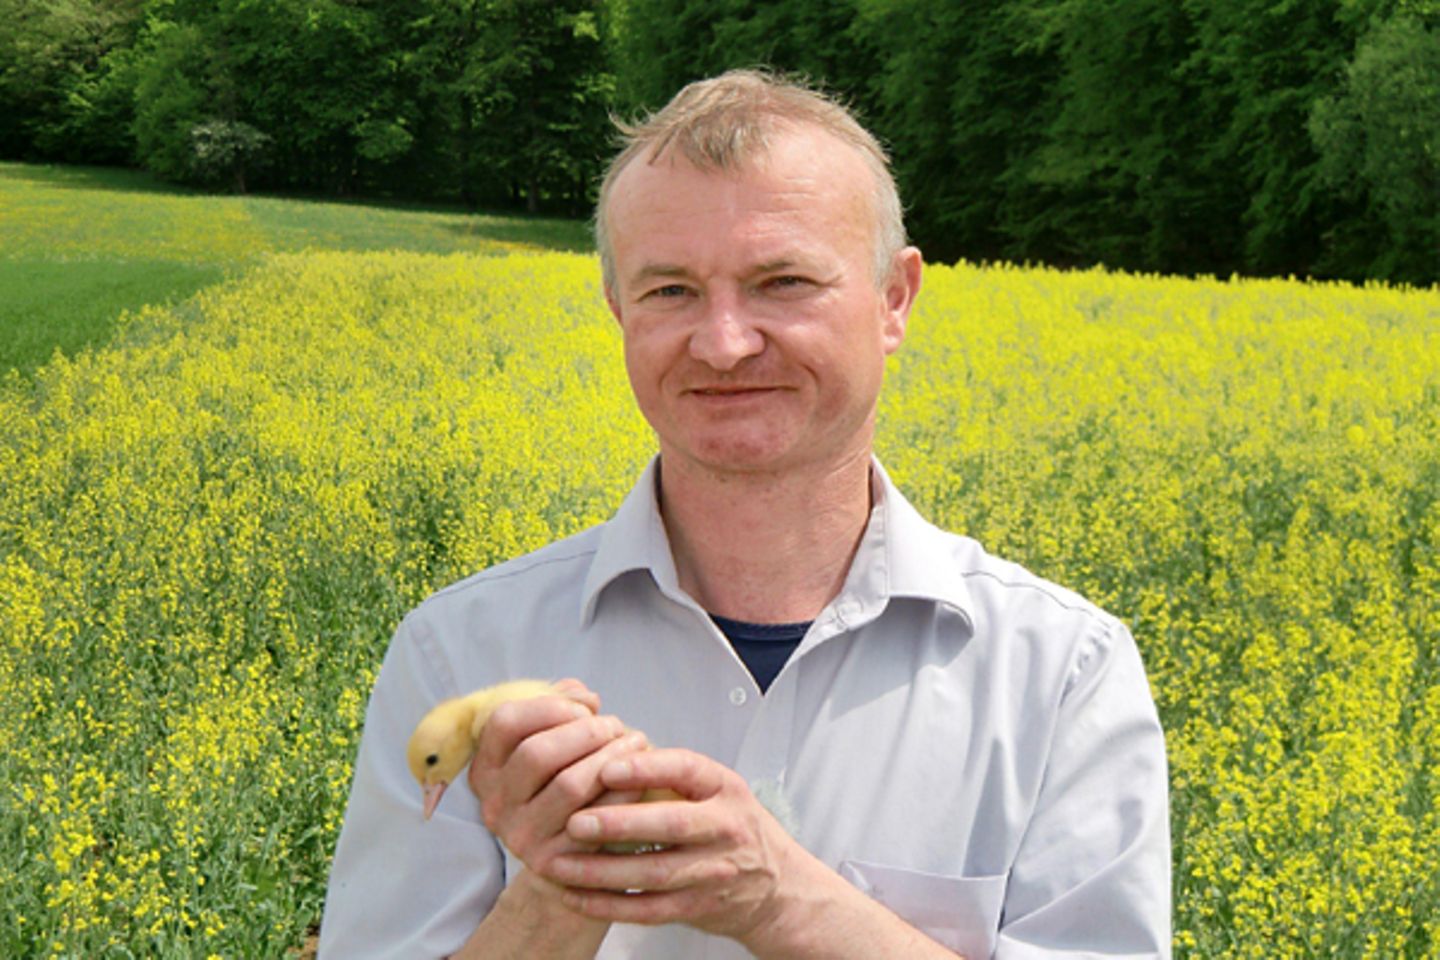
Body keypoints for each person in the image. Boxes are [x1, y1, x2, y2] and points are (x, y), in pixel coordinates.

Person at [319, 69, 1171, 959]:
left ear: (894, 300)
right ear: (618, 310)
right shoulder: (457, 655)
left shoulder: (1063, 673)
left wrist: (778, 898)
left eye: (782, 281)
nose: (724, 343)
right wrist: (565, 890)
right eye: (670, 292)